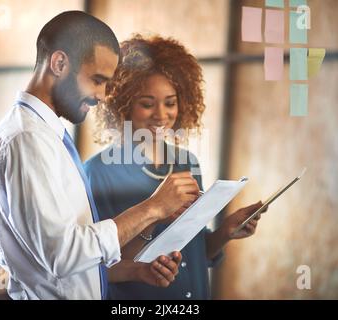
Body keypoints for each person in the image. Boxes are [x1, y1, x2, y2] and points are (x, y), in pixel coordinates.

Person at [0, 12, 201, 300]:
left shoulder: (46, 136)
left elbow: (78, 254)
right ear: (59, 63)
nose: (101, 96)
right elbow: (63, 255)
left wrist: (136, 270)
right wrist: (153, 208)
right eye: (97, 80)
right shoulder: (27, 138)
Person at [84, 35, 265, 300]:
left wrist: (224, 233)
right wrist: (155, 213)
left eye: (170, 102)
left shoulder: (187, 162)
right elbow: (97, 266)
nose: (161, 114)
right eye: (147, 104)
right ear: (123, 105)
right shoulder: (98, 173)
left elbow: (195, 252)